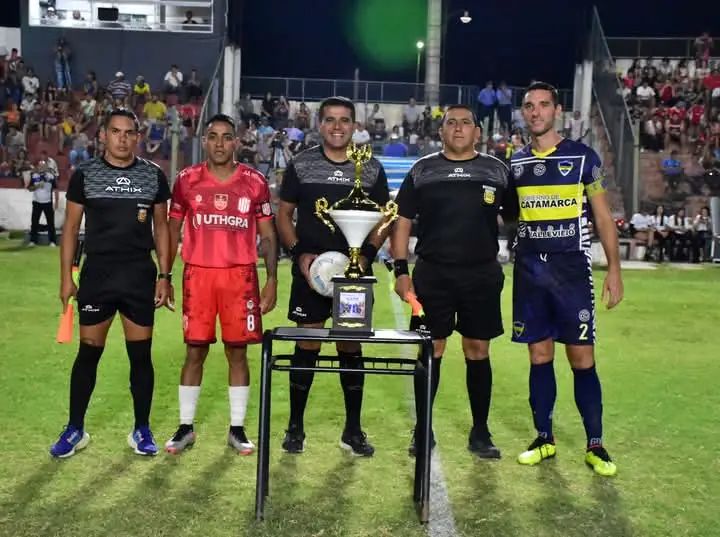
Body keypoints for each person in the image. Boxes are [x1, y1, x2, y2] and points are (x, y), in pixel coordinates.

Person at [509, 82, 624, 477]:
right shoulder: (515, 163)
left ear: (556, 110)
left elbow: (603, 217)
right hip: (529, 273)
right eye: (529, 106)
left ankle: (596, 444)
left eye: (543, 105)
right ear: (523, 112)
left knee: (581, 358)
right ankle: (544, 438)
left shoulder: (583, 158)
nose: (536, 111)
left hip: (571, 272)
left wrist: (614, 269)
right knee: (539, 356)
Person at [392, 104, 517, 459]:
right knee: (431, 348)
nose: (458, 128)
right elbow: (402, 221)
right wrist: (400, 270)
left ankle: (480, 431)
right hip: (433, 274)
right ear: (441, 131)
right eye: (451, 123)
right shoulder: (422, 169)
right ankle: (422, 428)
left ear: (477, 132)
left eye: (465, 123)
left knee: (478, 349)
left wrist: (520, 256)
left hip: (481, 273)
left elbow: (514, 220)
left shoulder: (497, 170)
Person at [49, 109, 172, 458]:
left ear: (137, 137)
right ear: (103, 135)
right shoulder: (85, 175)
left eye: (129, 132)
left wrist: (165, 276)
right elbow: (70, 229)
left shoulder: (153, 175)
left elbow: (162, 229)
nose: (122, 138)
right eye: (115, 131)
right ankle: (75, 429)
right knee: (89, 352)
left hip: (138, 275)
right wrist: (66, 278)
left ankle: (142, 430)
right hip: (98, 275)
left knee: (140, 356)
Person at [276, 96, 390, 456]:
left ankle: (352, 430)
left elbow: (385, 217)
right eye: (330, 120)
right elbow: (283, 215)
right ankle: (295, 427)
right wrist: (299, 255)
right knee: (307, 342)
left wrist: (366, 255)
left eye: (344, 120)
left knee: (350, 345)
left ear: (355, 126)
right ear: (319, 124)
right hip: (312, 274)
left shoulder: (370, 168)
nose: (337, 127)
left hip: (353, 276)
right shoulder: (301, 164)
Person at [164, 114, 278, 454]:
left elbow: (268, 235)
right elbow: (172, 229)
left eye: (226, 137)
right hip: (198, 275)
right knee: (194, 351)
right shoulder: (187, 180)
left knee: (237, 352)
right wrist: (164, 275)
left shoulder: (255, 182)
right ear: (204, 141)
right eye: (212, 136)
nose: (219, 143)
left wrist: (271, 279)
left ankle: (237, 429)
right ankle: (185, 427)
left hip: (240, 276)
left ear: (236, 142)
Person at [27, 159, 59, 247]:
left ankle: (52, 241)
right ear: (38, 167)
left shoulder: (51, 176)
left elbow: (56, 189)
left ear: (46, 167)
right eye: (40, 166)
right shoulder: (34, 176)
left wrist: (56, 201)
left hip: (47, 202)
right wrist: (37, 186)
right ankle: (33, 240)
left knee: (50, 222)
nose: (41, 167)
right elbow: (29, 189)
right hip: (36, 202)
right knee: (34, 221)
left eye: (43, 166)